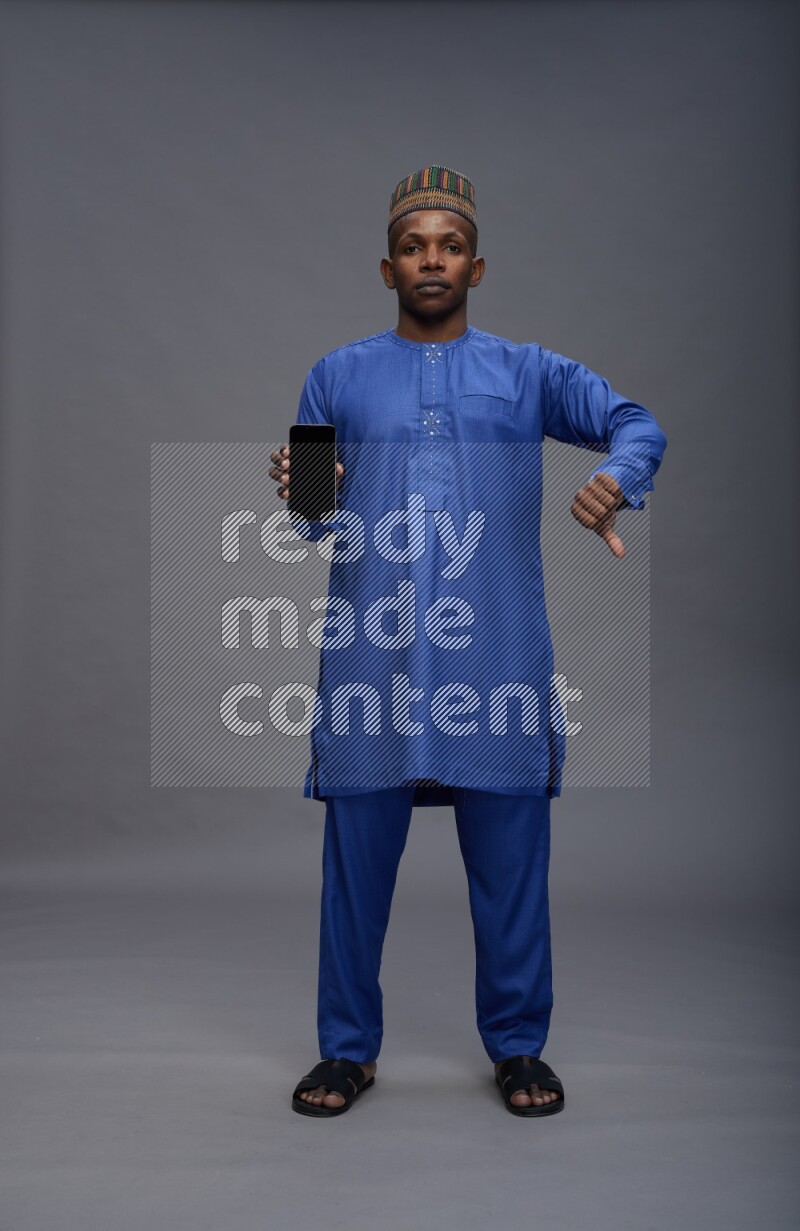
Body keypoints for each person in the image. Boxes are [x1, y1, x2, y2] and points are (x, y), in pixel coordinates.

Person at [269, 165, 667, 1118]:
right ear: (387, 266)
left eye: (449, 245)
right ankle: (346, 1050)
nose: (432, 259)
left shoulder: (526, 373)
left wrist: (616, 477)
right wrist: (300, 489)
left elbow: (634, 422)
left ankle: (520, 1048)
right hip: (376, 662)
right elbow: (319, 519)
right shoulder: (338, 373)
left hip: (496, 662)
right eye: (414, 246)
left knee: (511, 865)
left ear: (477, 265)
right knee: (355, 870)